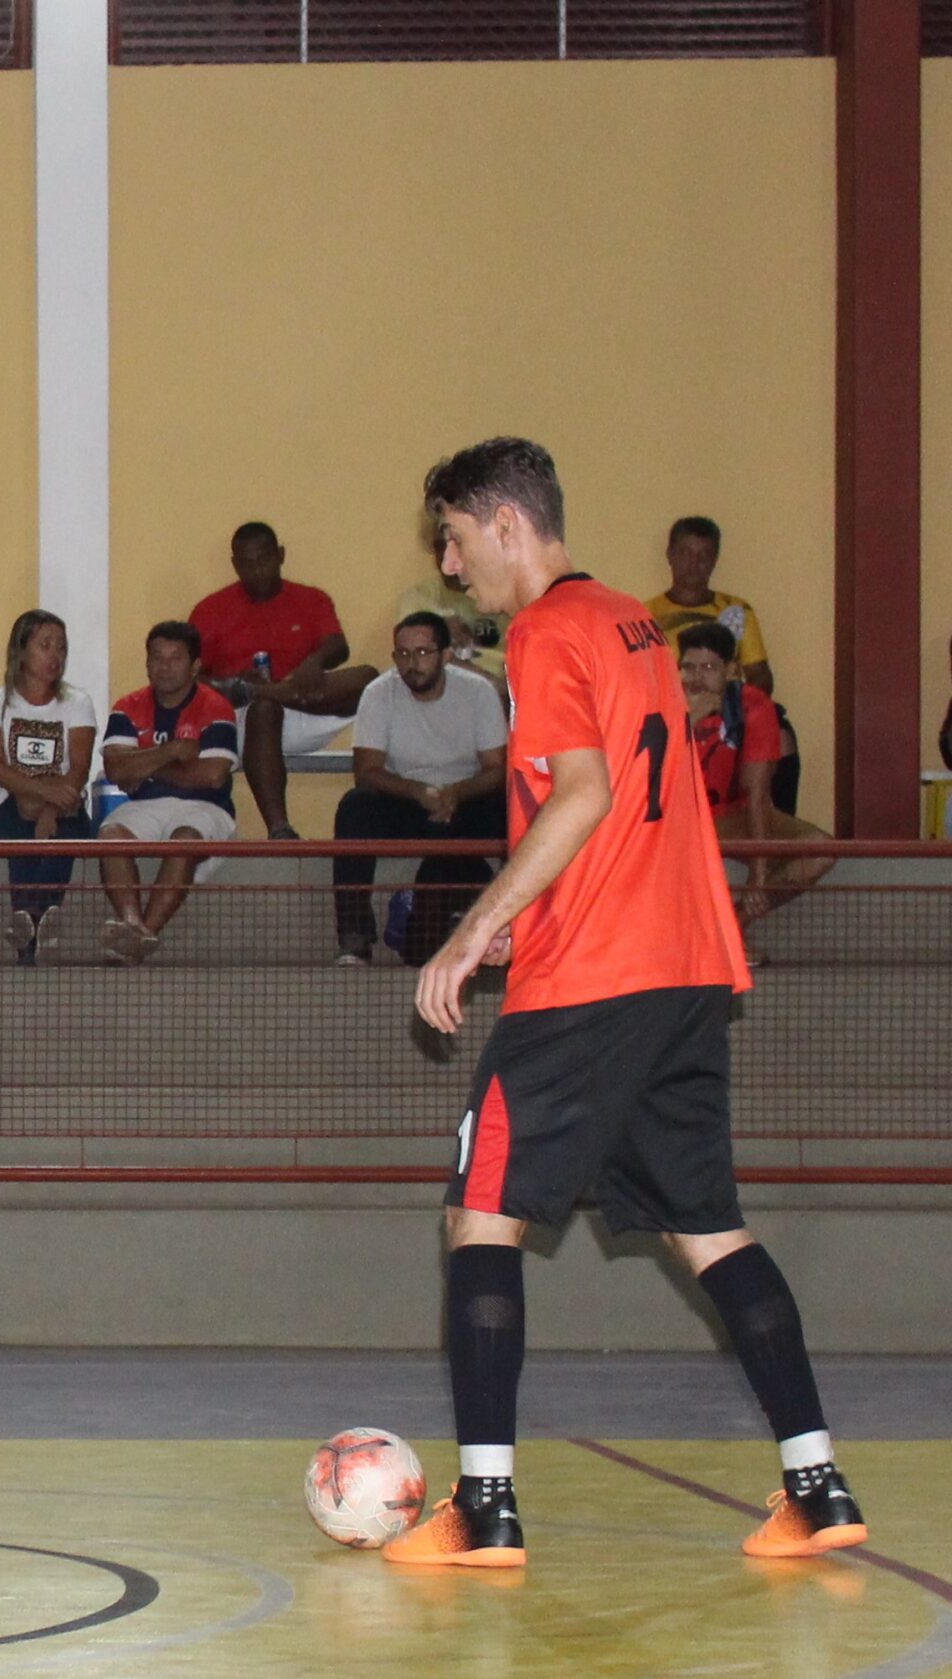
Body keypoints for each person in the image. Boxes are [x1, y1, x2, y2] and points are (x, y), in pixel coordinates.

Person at [395, 437, 864, 1568]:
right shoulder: (634, 625)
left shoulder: (544, 628)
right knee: (709, 1228)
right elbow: (630, 803)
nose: (451, 570)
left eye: (452, 541)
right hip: (686, 962)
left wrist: (468, 932)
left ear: (505, 524)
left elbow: (583, 794)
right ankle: (816, 1483)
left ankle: (485, 1506)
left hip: (593, 977)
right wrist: (524, 907)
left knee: (482, 1215)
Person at [331, 613, 507, 966]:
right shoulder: (379, 694)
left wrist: (456, 793)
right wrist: (416, 791)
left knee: (514, 805)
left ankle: (516, 927)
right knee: (355, 806)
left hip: (469, 800)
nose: (413, 664)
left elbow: (498, 769)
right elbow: (366, 772)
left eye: (424, 653)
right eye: (403, 654)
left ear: (445, 655)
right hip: (406, 801)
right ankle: (355, 936)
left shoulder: (478, 692)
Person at [190, 522, 376, 839]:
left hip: (306, 704)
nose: (255, 570)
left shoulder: (311, 598)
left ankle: (270, 691)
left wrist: (312, 663)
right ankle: (280, 828)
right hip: (246, 719)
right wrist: (231, 682)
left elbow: (338, 647)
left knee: (370, 679)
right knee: (264, 708)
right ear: (234, 564)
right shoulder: (210, 609)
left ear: (280, 555)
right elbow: (193, 679)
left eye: (263, 559)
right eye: (245, 563)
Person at [96, 621, 240, 966]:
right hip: (145, 805)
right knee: (110, 835)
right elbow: (116, 770)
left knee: (184, 840)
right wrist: (172, 751)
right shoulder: (127, 706)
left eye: (175, 658)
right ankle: (133, 925)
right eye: (157, 658)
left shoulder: (216, 707)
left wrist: (144, 766)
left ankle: (144, 933)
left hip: (207, 809)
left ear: (195, 666)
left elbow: (212, 776)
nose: (164, 666)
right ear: (146, 663)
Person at [679, 623, 833, 929]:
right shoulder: (659, 700)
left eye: (709, 668)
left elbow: (758, 794)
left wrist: (758, 877)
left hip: (729, 815)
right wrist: (689, 720)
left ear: (731, 670)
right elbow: (643, 778)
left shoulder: (752, 706)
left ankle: (733, 930)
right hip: (673, 819)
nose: (696, 679)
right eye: (688, 668)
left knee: (821, 848)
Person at [649, 516, 800, 814]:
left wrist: (727, 702)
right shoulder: (645, 615)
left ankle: (777, 826)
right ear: (670, 555)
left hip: (730, 710)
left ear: (715, 559)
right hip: (676, 710)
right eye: (686, 553)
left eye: (704, 554)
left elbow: (760, 675)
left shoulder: (737, 610)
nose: (695, 563)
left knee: (782, 735)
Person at [0, 609, 99, 967]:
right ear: (21, 650)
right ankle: (39, 918)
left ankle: (29, 920)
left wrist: (50, 810)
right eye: (45, 645)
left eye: (61, 647)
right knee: (19, 827)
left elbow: (78, 770)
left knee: (63, 834)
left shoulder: (77, 703)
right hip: (12, 804)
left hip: (65, 807)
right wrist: (42, 795)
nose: (55, 656)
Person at [396, 559, 511, 699]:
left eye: (457, 543)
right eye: (439, 547)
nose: (447, 559)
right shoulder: (420, 597)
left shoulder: (506, 595)